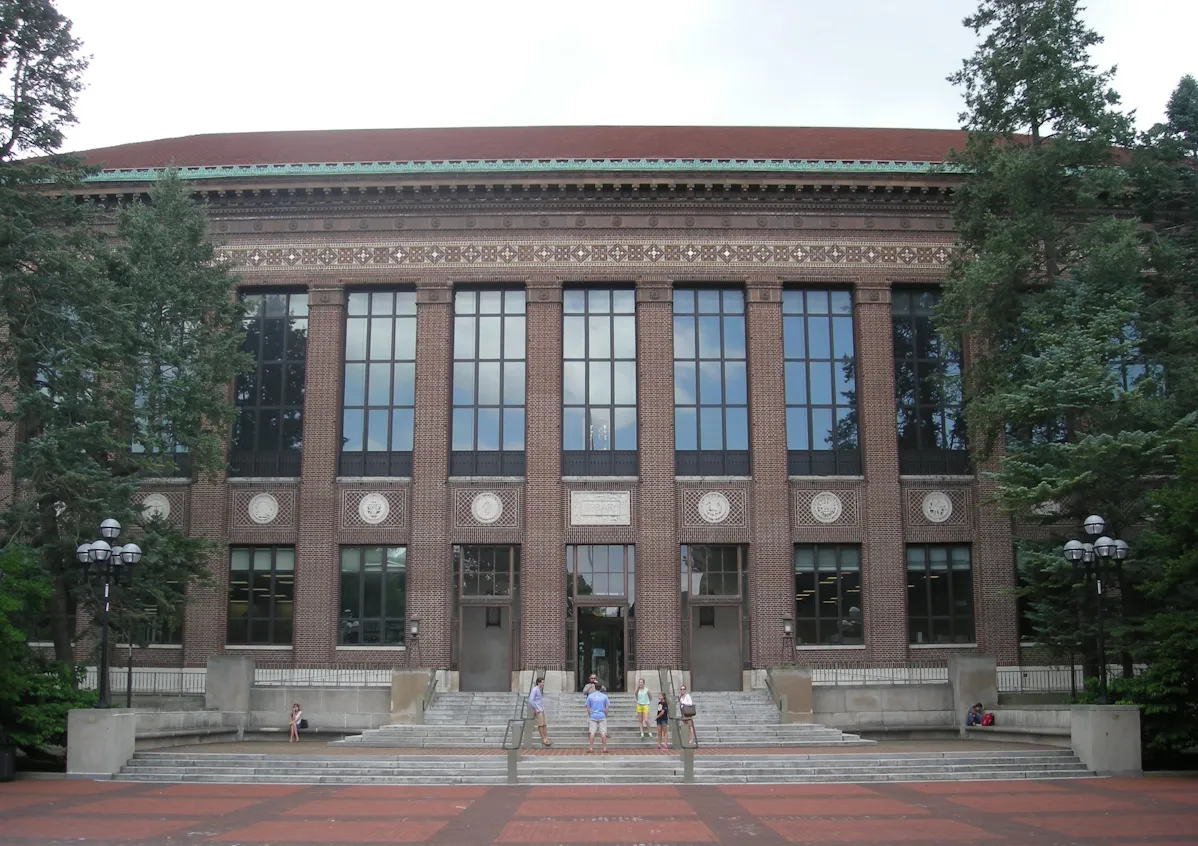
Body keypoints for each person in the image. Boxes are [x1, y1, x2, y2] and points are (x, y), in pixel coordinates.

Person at [528, 676, 552, 747]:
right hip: (538, 709)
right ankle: (543, 739)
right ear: (538, 683)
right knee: (540, 724)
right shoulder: (535, 690)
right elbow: (530, 700)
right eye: (542, 682)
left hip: (541, 708)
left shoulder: (539, 689)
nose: (543, 684)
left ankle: (546, 738)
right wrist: (535, 709)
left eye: (543, 682)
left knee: (544, 724)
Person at [585, 684, 610, 753]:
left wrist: (590, 715)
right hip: (602, 715)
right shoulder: (604, 696)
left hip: (593, 715)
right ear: (601, 688)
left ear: (595, 688)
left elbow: (587, 707)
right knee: (603, 732)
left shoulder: (590, 696)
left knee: (592, 732)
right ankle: (604, 748)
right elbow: (607, 707)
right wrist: (606, 715)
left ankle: (590, 748)